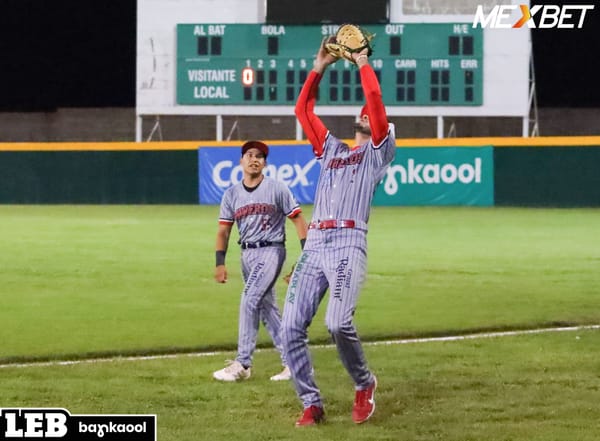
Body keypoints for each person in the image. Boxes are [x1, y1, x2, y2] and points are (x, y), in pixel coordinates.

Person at [281, 40, 396, 425]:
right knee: (290, 327)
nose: (366, 114)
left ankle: (364, 384)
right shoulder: (331, 149)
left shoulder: (378, 152)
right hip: (315, 244)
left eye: (372, 115)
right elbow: (303, 110)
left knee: (336, 323)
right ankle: (311, 403)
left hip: (349, 243)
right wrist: (318, 66)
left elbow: (376, 100)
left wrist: (362, 62)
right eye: (362, 113)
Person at [213, 140, 308, 382]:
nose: (254, 159)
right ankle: (294, 363)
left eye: (260, 156)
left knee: (248, 300)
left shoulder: (277, 189)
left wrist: (306, 255)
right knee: (267, 310)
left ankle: (243, 363)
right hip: (246, 255)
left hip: (271, 251)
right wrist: (220, 262)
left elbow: (298, 220)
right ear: (241, 160)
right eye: (250, 155)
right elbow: (223, 231)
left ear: (265, 163)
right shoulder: (231, 194)